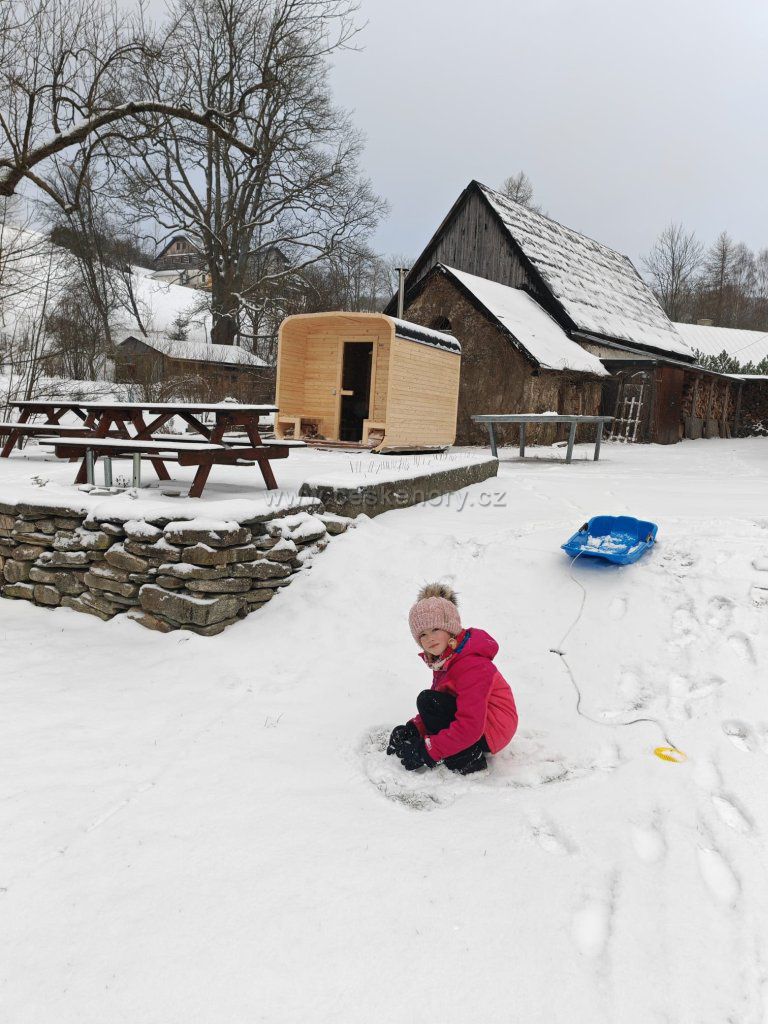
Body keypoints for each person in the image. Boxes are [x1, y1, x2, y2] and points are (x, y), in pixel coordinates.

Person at [387, 583, 518, 775]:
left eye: (435, 629)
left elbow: (470, 725)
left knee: (427, 700)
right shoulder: (447, 659)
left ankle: (467, 759)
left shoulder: (471, 664)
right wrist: (414, 729)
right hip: (480, 722)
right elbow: (445, 701)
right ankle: (457, 747)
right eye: (423, 634)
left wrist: (427, 752)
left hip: (492, 729)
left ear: (450, 629)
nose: (429, 638)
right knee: (429, 701)